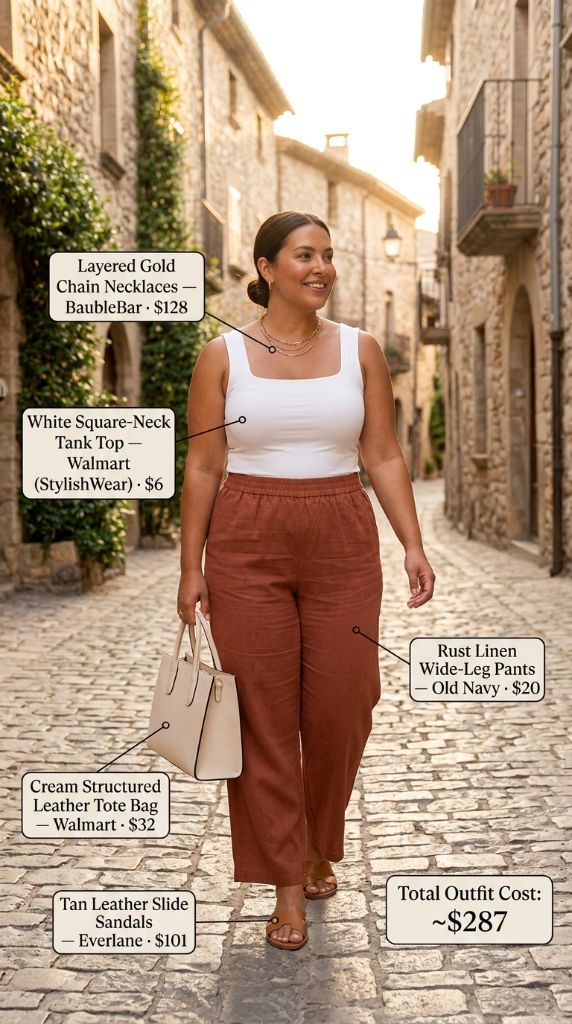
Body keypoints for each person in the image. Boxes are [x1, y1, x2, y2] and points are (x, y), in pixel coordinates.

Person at [177, 211, 435, 951]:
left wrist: (412, 543)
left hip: (340, 533)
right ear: (265, 269)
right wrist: (191, 567)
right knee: (261, 717)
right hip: (246, 540)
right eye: (304, 255)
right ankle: (287, 881)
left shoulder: (362, 350)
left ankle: (321, 836)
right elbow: (203, 466)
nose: (320, 267)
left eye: (327, 255)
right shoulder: (221, 356)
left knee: (345, 702)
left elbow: (381, 453)